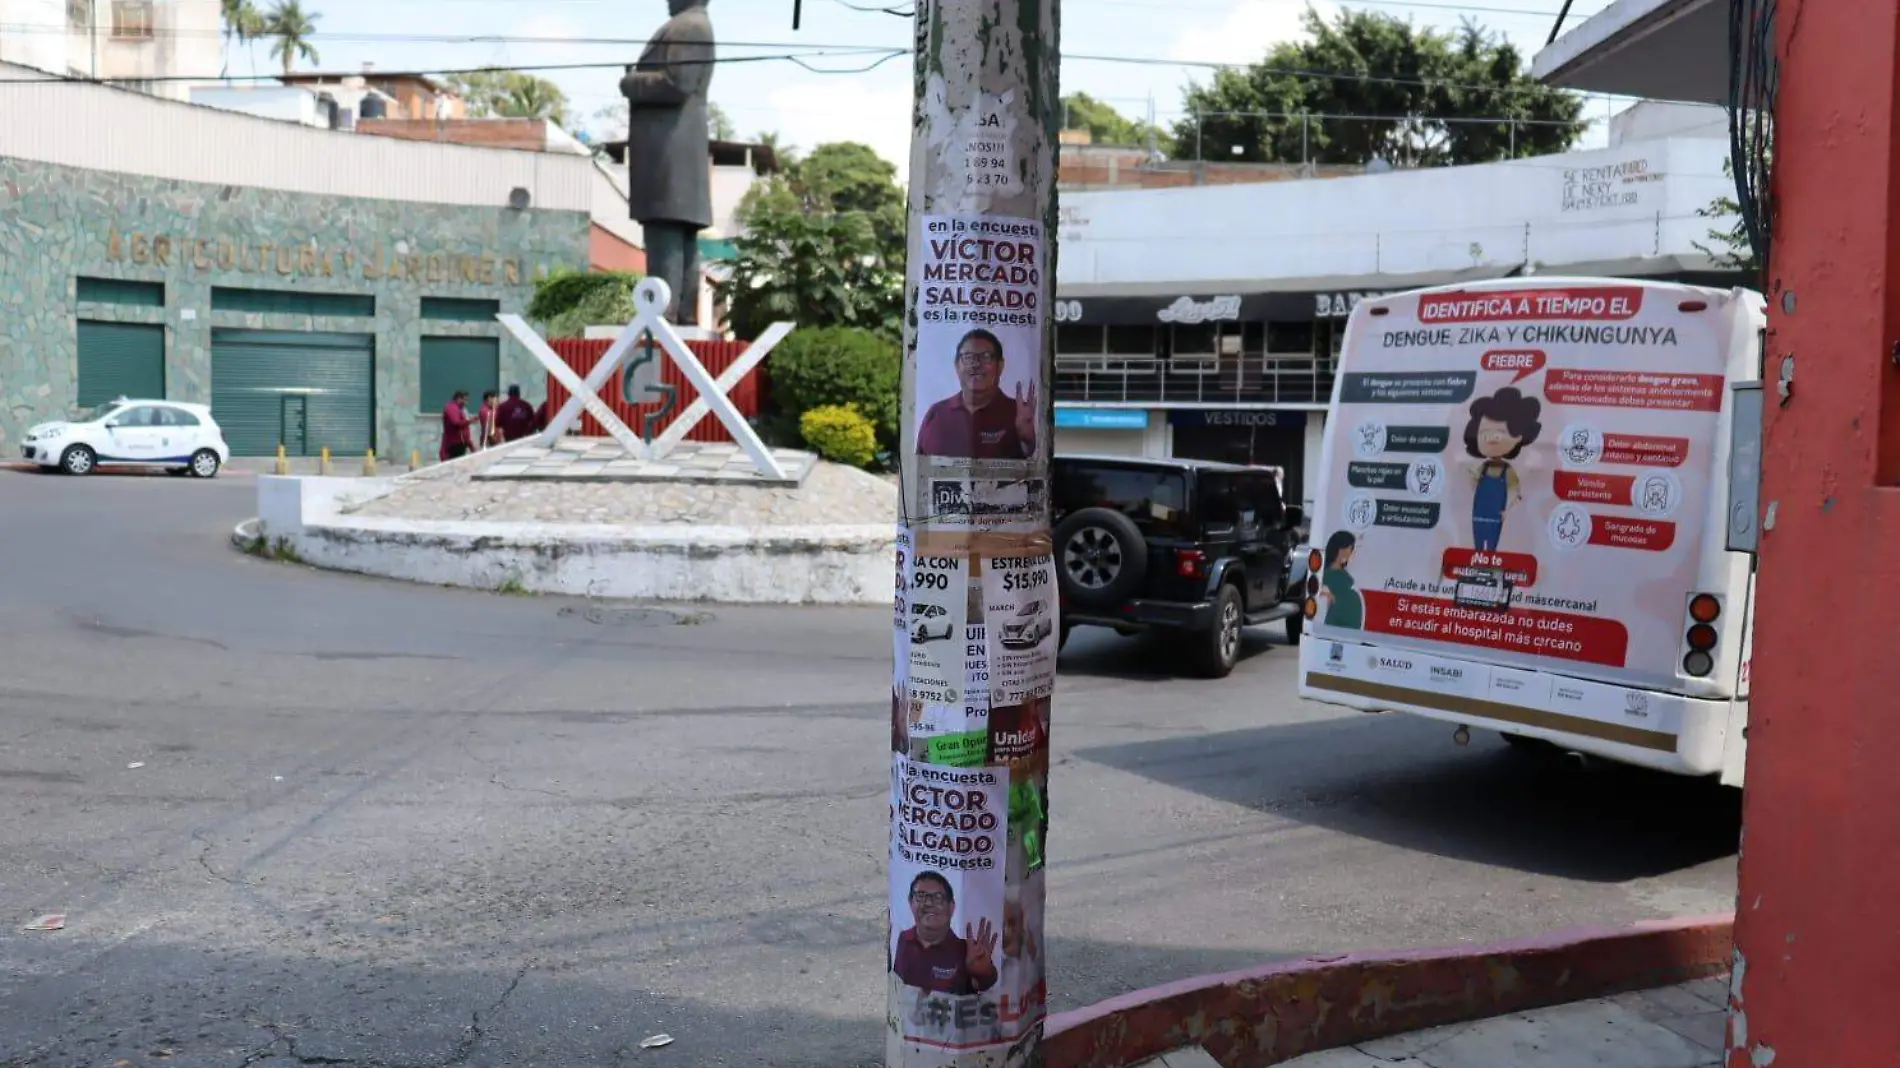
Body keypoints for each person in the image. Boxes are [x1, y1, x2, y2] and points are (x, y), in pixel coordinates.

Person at [915, 328, 1036, 460]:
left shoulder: (1019, 413)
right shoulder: (936, 414)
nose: (976, 364)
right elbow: (918, 469)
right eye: (968, 357)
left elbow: (1032, 458)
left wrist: (1027, 439)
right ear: (956, 365)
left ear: (1000, 366)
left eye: (986, 357)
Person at [1463, 386, 1543, 551]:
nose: (1492, 438)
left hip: (1496, 515)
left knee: (1493, 544)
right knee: (1477, 542)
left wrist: (1508, 510)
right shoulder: (1481, 468)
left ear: (1519, 437)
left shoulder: (1508, 471)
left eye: (1501, 432)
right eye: (1484, 432)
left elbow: (1516, 492)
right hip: (1478, 513)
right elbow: (1471, 486)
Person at [892, 871, 998, 995]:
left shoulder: (967, 950)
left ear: (951, 907)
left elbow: (983, 984)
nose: (929, 903)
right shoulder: (902, 939)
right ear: (911, 903)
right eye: (921, 896)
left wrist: (984, 972)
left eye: (938, 897)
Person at [1318, 530, 1363, 629]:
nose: (1351, 552)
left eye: (1351, 549)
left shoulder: (1345, 579)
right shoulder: (1329, 576)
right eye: (1350, 548)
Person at [439, 390, 473, 462]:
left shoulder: (462, 410)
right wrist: (471, 421)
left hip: (461, 442)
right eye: (465, 400)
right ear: (459, 399)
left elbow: (465, 429)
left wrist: (470, 444)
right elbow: (456, 423)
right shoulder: (451, 408)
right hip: (454, 443)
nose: (466, 402)